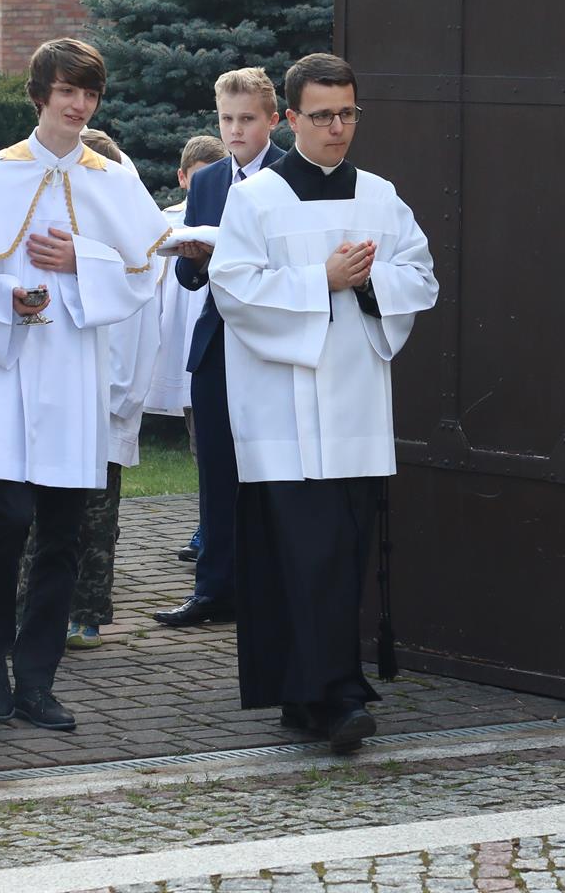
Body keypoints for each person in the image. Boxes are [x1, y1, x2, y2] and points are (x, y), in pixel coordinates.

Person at [209, 52, 437, 753]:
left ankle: (315, 694)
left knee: (343, 553)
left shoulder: (381, 196)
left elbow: (420, 275)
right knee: (302, 557)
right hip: (282, 411)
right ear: (291, 119)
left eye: (347, 114)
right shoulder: (256, 199)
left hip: (357, 407)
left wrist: (368, 284)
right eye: (323, 115)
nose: (337, 128)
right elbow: (233, 289)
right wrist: (322, 280)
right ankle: (332, 695)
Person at [0, 38, 170, 731]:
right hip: (8, 369)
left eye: (90, 94)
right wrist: (6, 299)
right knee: (10, 517)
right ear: (39, 94)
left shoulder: (112, 180)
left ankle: (38, 678)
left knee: (61, 531)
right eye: (68, 91)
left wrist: (84, 260)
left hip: (76, 369)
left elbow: (144, 272)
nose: (80, 105)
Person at [15, 128, 163, 650]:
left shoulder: (124, 253)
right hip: (55, 394)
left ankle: (87, 609)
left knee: (95, 516)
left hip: (107, 403)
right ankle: (30, 605)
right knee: (38, 511)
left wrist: (119, 398)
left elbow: (138, 328)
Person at [155, 68, 286, 628]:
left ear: (273, 121)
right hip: (215, 342)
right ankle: (213, 589)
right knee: (214, 469)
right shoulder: (208, 181)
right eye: (227, 119)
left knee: (270, 469)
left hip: (269, 343)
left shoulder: (289, 175)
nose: (235, 130)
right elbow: (190, 280)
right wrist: (193, 259)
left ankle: (269, 585)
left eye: (247, 119)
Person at [146, 135, 230, 562]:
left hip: (221, 344)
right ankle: (207, 525)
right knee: (202, 446)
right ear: (183, 179)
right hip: (185, 348)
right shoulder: (168, 222)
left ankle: (213, 529)